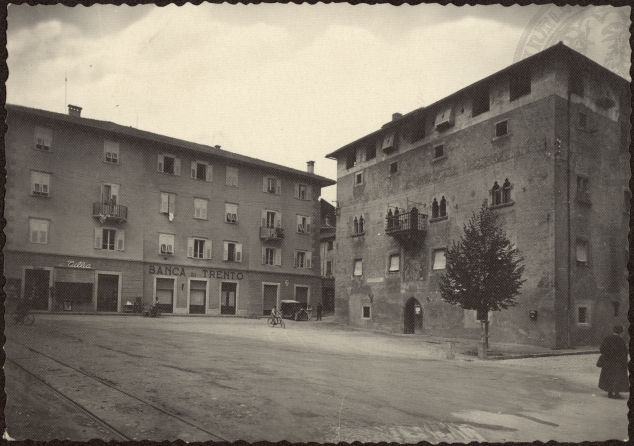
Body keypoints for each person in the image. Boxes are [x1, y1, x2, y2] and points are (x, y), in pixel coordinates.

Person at [598, 325, 629, 399]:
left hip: (608, 362)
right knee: (617, 377)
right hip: (618, 363)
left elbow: (602, 349)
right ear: (621, 332)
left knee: (609, 376)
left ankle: (610, 392)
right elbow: (624, 352)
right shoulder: (620, 340)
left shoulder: (607, 338)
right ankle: (617, 393)